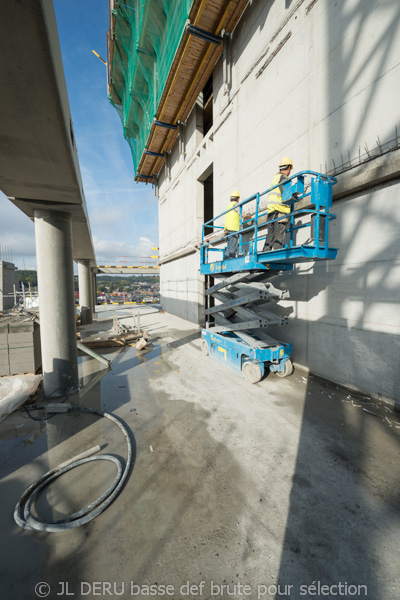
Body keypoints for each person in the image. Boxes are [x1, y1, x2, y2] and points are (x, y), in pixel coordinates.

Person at [263, 157, 293, 251]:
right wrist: (294, 196)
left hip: (271, 212)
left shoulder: (275, 178)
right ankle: (277, 252)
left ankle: (265, 252)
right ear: (288, 168)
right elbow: (286, 194)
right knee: (278, 237)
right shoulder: (284, 178)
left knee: (270, 236)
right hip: (279, 212)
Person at [224, 191, 251, 258]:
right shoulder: (235, 205)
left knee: (229, 248)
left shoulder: (228, 207)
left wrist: (225, 230)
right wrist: (250, 217)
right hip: (233, 229)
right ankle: (231, 261)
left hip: (228, 229)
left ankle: (226, 262)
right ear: (237, 198)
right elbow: (242, 213)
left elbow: (226, 219)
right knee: (233, 248)